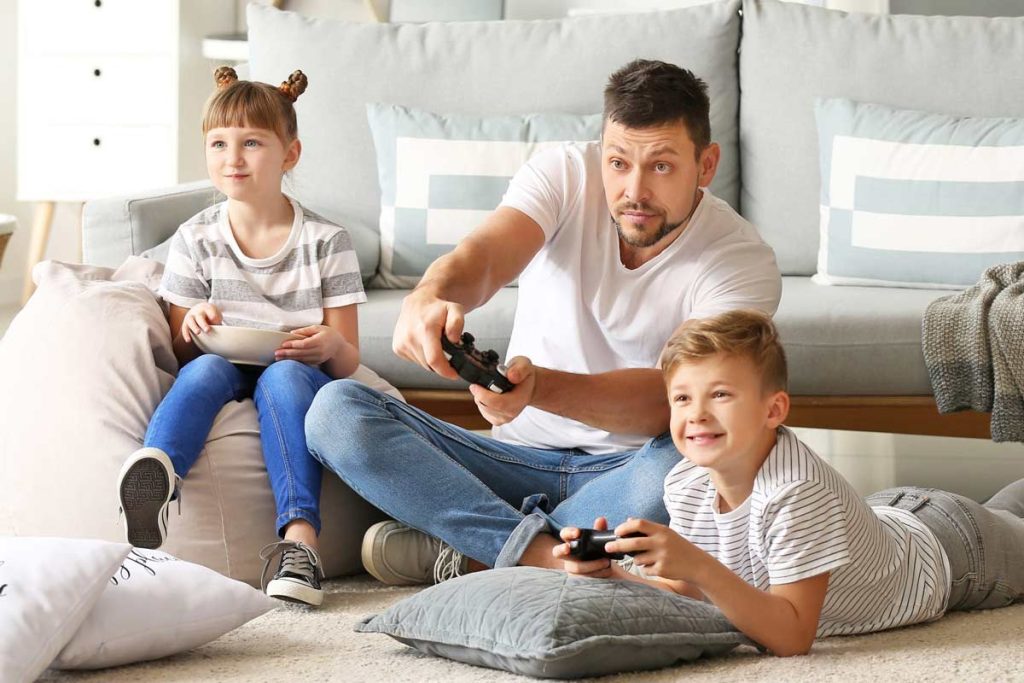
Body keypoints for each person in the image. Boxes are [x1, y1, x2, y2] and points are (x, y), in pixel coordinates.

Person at [305, 59, 781, 586]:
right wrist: (431, 294)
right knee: (334, 411)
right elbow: (486, 257)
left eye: (662, 167)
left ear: (706, 165)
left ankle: (478, 548)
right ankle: (546, 553)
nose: (635, 191)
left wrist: (537, 390)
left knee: (703, 456)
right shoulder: (566, 172)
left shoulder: (739, 261)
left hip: (633, 472)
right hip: (510, 456)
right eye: (619, 162)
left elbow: (670, 404)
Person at [555, 309, 1024, 656]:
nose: (696, 413)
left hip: (956, 553)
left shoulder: (796, 492)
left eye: (719, 394)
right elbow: (694, 593)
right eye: (681, 398)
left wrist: (696, 565)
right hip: (893, 516)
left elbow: (792, 636)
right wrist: (614, 574)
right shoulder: (686, 481)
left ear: (773, 410)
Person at [116, 66, 366, 607]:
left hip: (295, 366)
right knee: (203, 370)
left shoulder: (327, 240)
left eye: (252, 143)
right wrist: (196, 321)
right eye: (219, 143)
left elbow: (349, 357)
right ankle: (155, 478)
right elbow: (182, 350)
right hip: (222, 359)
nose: (233, 158)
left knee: (284, 380)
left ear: (289, 154)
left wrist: (327, 344)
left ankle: (299, 543)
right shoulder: (195, 237)